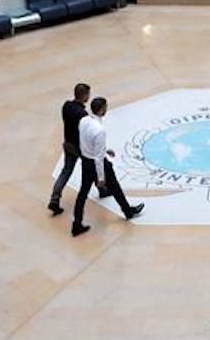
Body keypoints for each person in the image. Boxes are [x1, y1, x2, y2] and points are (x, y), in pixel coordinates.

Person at [72, 97, 144, 237]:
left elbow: (86, 141)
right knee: (115, 186)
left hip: (86, 162)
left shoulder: (83, 120)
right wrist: (100, 177)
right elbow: (98, 158)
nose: (107, 109)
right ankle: (128, 211)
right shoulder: (99, 130)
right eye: (105, 107)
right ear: (101, 110)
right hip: (97, 164)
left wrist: (104, 150)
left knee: (82, 193)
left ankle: (76, 224)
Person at [48, 83, 110, 216]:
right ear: (84, 96)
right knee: (91, 166)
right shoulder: (83, 114)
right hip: (79, 147)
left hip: (68, 144)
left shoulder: (66, 106)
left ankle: (54, 198)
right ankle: (102, 189)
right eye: (88, 94)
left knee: (66, 171)